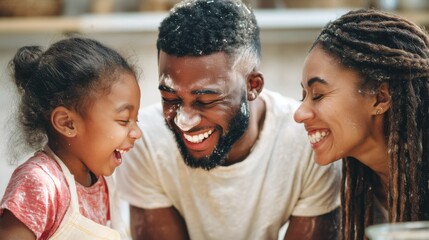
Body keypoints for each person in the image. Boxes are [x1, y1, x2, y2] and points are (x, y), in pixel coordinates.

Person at [116, 0, 341, 239]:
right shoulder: (146, 140)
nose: (184, 120)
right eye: (170, 98)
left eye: (206, 101)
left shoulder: (308, 142)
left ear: (252, 85)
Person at [294, 8, 429, 240]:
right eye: (303, 95)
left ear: (380, 98)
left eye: (318, 95)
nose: (299, 113)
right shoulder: (348, 185)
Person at [0, 37, 142, 239]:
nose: (137, 133)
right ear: (67, 123)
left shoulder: (101, 182)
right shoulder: (40, 183)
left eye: (136, 120)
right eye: (124, 120)